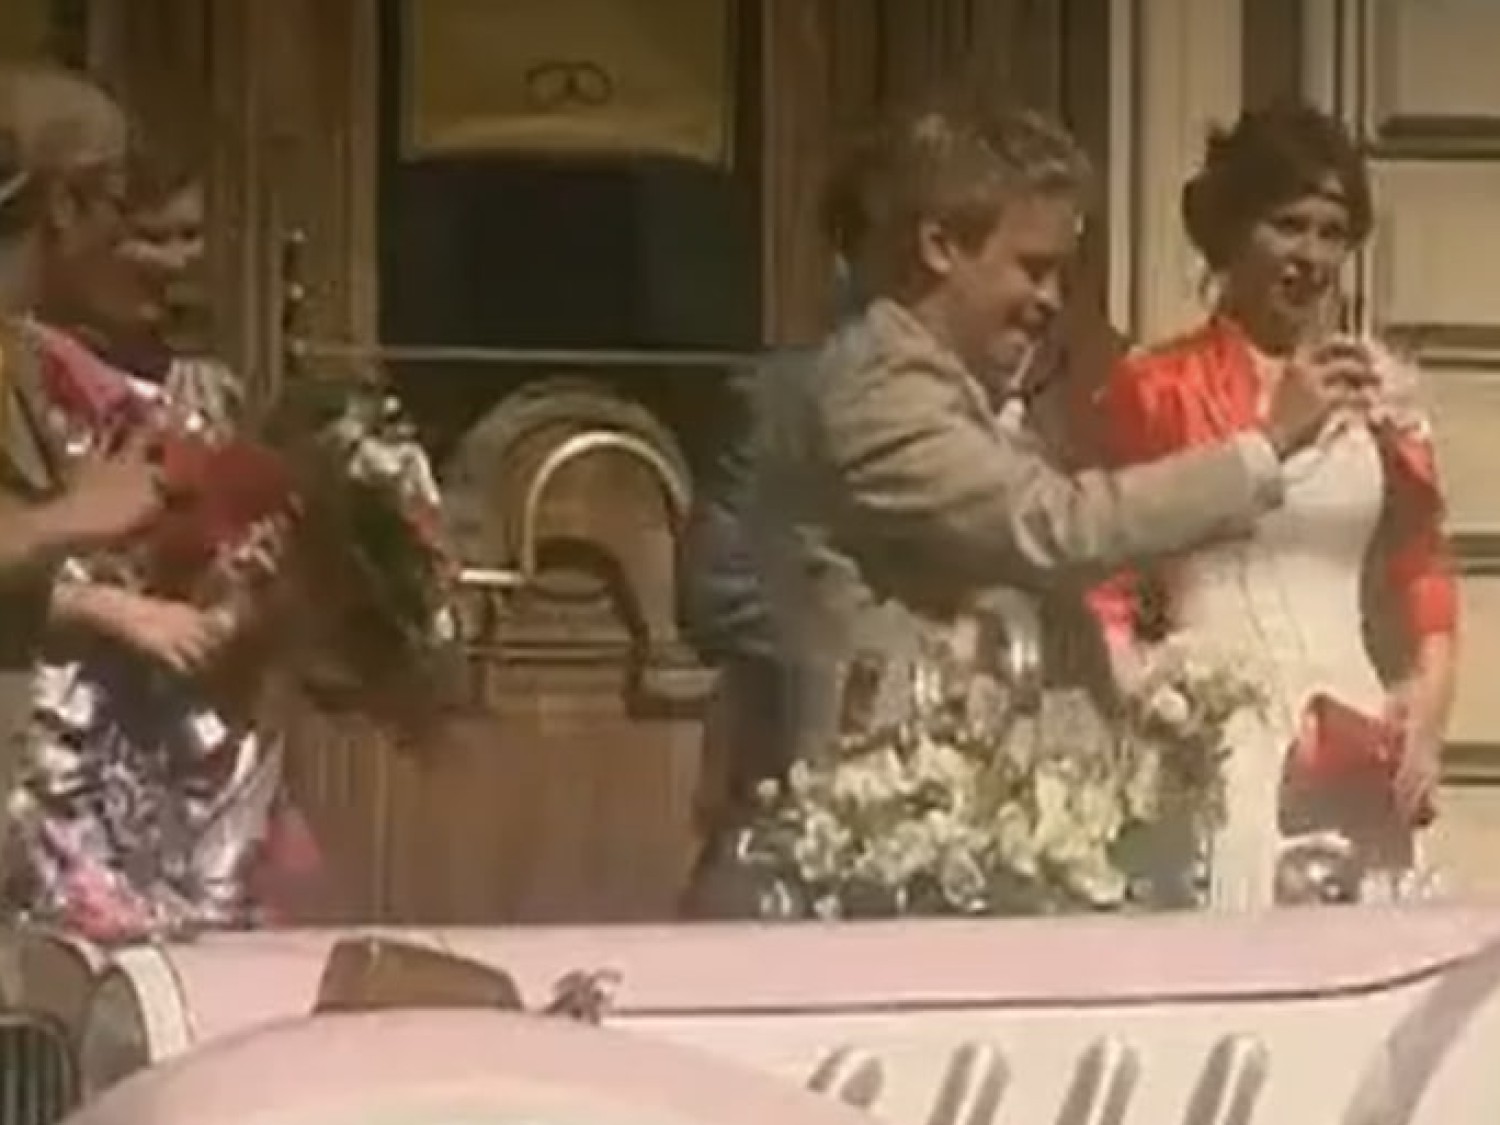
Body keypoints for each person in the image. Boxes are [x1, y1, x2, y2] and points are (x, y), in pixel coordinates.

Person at [749, 96, 1376, 810]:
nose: (1051, 301)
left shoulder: (957, 385)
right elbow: (1056, 527)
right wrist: (1265, 447)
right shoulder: (877, 388)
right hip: (893, 807)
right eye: (1033, 268)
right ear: (939, 246)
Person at [1087, 103, 1457, 906]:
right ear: (1231, 230)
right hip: (1215, 739)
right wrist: (1153, 704)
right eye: (1288, 226)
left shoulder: (1378, 397)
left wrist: (1423, 717)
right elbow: (1103, 583)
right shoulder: (1157, 387)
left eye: (1332, 232)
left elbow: (1424, 575)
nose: (1311, 256)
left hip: (1355, 736)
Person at [0, 65, 169, 840]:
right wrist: (72, 517)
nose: (125, 236)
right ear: (64, 204)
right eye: (118, 202)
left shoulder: (22, 358)